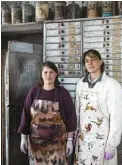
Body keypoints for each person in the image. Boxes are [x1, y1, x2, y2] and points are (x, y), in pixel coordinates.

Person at [18, 61, 77, 165]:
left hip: (57, 146)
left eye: (51, 72)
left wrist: (70, 140)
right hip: (36, 147)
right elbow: (26, 115)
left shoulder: (63, 93)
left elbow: (71, 118)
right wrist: (23, 137)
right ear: (41, 74)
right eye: (45, 72)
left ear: (56, 74)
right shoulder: (34, 92)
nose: (48, 75)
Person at [74, 49, 122, 165]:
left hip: (103, 142)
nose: (90, 63)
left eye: (93, 59)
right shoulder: (81, 84)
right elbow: (77, 112)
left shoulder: (111, 85)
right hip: (83, 141)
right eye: (86, 61)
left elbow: (116, 117)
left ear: (100, 62)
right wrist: (73, 135)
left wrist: (112, 143)